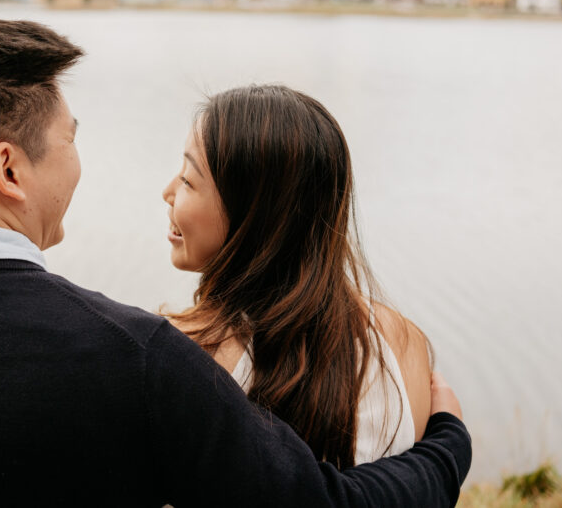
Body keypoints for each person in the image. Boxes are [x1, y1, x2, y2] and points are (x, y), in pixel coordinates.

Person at [0, 18, 471, 507]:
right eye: (69, 137)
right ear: (8, 169)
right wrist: (446, 445)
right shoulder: (133, 358)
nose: (79, 157)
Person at [162, 84, 432, 468]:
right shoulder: (405, 345)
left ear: (254, 214)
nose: (168, 192)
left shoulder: (183, 350)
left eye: (188, 180)